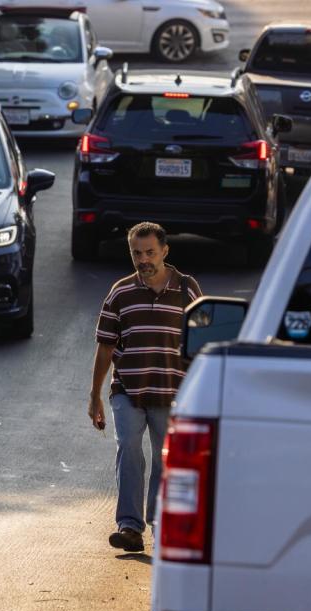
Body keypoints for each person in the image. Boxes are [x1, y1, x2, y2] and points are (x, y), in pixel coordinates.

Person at [87, 222, 202, 553]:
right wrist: (95, 395)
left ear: (165, 251)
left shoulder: (187, 289)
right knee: (129, 450)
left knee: (167, 461)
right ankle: (129, 527)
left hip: (172, 393)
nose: (143, 259)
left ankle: (159, 524)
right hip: (128, 391)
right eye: (136, 253)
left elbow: (203, 341)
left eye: (150, 252)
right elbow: (105, 347)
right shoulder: (120, 292)